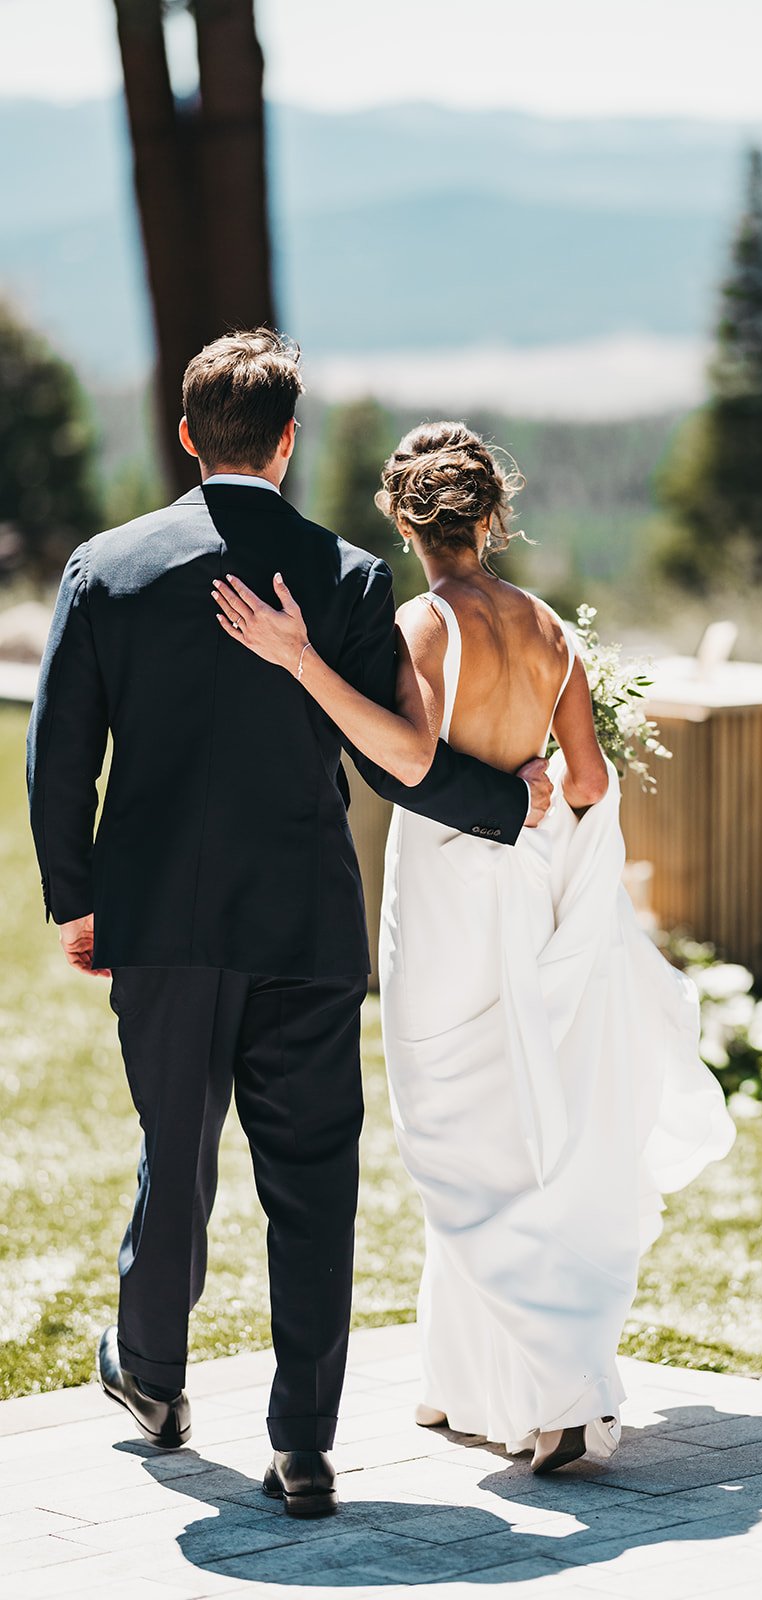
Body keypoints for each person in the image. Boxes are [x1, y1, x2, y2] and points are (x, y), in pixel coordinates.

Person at [26, 332, 552, 1520]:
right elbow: (403, 764)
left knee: (178, 1149)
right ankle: (303, 1447)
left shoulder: (104, 570)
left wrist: (80, 900)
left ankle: (153, 1384)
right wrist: (506, 804)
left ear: (184, 436)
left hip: (157, 926)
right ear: (287, 440)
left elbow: (59, 760)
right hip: (306, 927)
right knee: (310, 1182)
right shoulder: (351, 578)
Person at [214, 420, 735, 1476]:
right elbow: (584, 785)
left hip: (448, 881)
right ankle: (463, 1382)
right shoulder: (549, 627)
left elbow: (406, 756)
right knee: (503, 1117)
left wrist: (303, 660)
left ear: (404, 518)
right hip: (530, 883)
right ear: (491, 516)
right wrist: (532, 774)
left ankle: (565, 1386)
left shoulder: (420, 624)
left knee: (447, 1130)